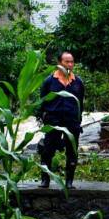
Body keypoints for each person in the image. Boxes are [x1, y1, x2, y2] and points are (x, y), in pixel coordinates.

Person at [36, 50, 85, 189]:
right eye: (66, 62)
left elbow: (80, 103)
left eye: (72, 62)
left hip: (72, 122)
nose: (70, 65)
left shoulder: (78, 82)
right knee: (47, 150)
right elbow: (42, 102)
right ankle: (45, 180)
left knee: (72, 152)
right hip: (54, 121)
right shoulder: (49, 81)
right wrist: (44, 118)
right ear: (59, 63)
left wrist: (78, 120)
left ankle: (69, 182)